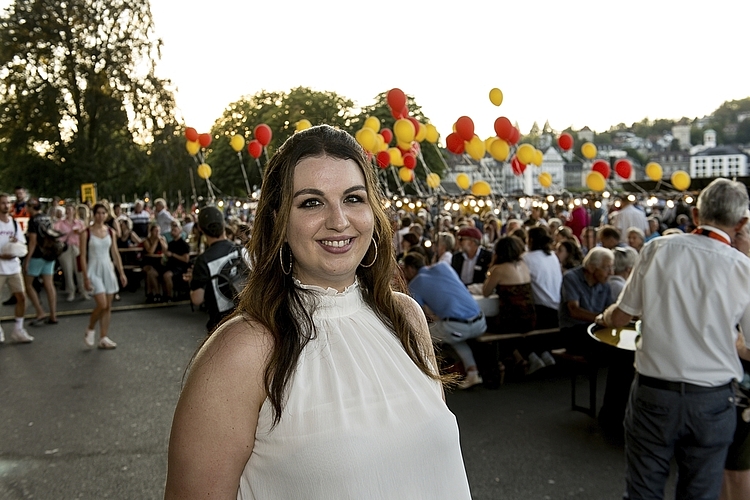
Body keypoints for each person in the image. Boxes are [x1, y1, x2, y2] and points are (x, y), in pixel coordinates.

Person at [165, 125, 471, 499]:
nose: (339, 220)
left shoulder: (406, 316)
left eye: (353, 198)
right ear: (278, 219)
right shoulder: (241, 351)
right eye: (311, 202)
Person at [598, 178, 750, 499]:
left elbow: (622, 315)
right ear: (742, 223)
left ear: (695, 215)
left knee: (643, 492)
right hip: (712, 399)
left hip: (655, 394)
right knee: (699, 494)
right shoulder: (742, 268)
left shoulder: (658, 249)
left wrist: (605, 316)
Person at [402, 252, 486, 389]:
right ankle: (472, 373)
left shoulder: (416, 283)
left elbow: (416, 314)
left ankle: (423, 378)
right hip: (480, 322)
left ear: (411, 268)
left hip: (458, 327)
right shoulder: (443, 267)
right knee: (453, 336)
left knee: (418, 338)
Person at [184, 206, 245, 332]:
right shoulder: (241, 250)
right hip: (246, 317)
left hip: (220, 325)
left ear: (200, 228)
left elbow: (197, 299)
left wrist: (192, 281)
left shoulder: (203, 261)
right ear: (224, 224)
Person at [80, 203, 127, 349]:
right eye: (98, 213)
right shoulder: (86, 233)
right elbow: (82, 256)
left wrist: (121, 272)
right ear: (93, 215)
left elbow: (115, 253)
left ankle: (103, 337)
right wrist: (85, 277)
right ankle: (91, 327)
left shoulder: (110, 232)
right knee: (102, 304)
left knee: (108, 307)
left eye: (103, 213)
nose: (100, 216)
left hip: (107, 268)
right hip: (94, 269)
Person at [558, 247, 614, 354]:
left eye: (612, 267)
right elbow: (574, 311)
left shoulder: (605, 284)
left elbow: (608, 309)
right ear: (591, 267)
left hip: (595, 328)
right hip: (574, 331)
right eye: (607, 268)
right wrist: (601, 319)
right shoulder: (571, 277)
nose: (611, 272)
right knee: (604, 350)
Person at [0, 193, 32, 343]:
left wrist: (16, 243)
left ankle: (18, 329)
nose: (6, 206)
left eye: (7, 203)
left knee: (21, 297)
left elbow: (22, 243)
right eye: (3, 203)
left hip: (13, 267)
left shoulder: (13, 223)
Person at [23, 199, 58, 325]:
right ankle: (53, 314)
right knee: (49, 284)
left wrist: (27, 260)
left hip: (37, 255)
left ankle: (40, 311)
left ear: (31, 207)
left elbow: (33, 242)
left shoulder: (33, 221)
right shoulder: (47, 218)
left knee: (28, 284)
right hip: (50, 254)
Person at [523, 227, 563, 329]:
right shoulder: (552, 256)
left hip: (542, 310)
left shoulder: (526, 258)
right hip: (558, 306)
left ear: (531, 240)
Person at [54, 205, 88, 302]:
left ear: (74, 211)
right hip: (66, 247)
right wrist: (66, 235)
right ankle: (71, 291)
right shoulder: (60, 223)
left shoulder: (79, 223)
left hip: (77, 247)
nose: (69, 212)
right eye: (67, 210)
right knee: (68, 271)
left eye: (70, 210)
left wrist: (79, 232)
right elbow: (56, 235)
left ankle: (83, 291)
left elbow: (85, 233)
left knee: (79, 270)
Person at [162, 221, 190, 301]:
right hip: (170, 265)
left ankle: (169, 296)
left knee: (167, 275)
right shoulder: (170, 244)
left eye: (175, 231)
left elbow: (186, 259)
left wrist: (173, 255)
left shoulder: (183, 244)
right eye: (172, 230)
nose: (173, 232)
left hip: (179, 267)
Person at [142, 222, 168, 303]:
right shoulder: (146, 241)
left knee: (151, 274)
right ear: (151, 232)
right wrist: (156, 241)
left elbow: (166, 250)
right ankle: (156, 293)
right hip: (149, 261)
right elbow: (150, 251)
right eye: (155, 231)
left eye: (158, 231)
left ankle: (152, 294)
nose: (157, 233)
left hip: (159, 261)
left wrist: (161, 242)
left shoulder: (162, 239)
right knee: (150, 272)